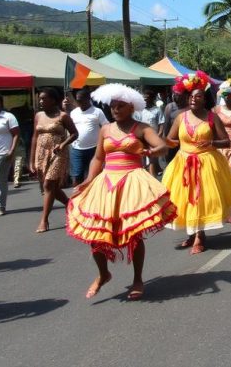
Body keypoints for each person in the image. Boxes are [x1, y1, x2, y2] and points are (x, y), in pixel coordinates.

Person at [66, 84, 177, 300]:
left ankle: (137, 279)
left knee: (132, 233)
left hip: (132, 181)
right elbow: (98, 158)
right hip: (106, 182)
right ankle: (103, 274)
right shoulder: (106, 129)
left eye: (121, 106)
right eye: (113, 106)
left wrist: (153, 150)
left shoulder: (142, 128)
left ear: (131, 106)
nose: (115, 109)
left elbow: (162, 146)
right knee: (96, 232)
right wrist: (89, 180)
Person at [162, 74, 231, 254]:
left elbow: (226, 141)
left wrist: (211, 143)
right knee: (185, 200)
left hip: (206, 163)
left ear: (204, 98)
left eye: (198, 96)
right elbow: (170, 138)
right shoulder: (181, 118)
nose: (193, 99)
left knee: (201, 200)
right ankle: (191, 235)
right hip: (183, 163)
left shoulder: (212, 117)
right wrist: (170, 143)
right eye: (191, 96)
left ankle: (200, 236)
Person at [32, 87, 79, 233]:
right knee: (52, 188)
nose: (41, 101)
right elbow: (34, 138)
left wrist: (63, 144)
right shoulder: (38, 115)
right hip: (41, 153)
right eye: (40, 98)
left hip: (58, 153)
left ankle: (44, 220)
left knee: (48, 185)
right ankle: (70, 204)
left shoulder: (63, 116)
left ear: (52, 100)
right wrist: (31, 160)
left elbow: (74, 134)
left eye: (44, 98)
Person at [69, 89, 109, 188]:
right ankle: (77, 199)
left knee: (94, 175)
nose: (79, 102)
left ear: (88, 99)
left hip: (94, 149)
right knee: (77, 176)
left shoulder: (97, 112)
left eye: (82, 100)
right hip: (77, 149)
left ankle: (93, 197)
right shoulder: (73, 113)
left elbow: (106, 127)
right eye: (78, 100)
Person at [134, 88, 164, 176]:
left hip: (153, 137)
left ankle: (152, 177)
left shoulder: (157, 110)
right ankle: (144, 174)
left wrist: (159, 135)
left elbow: (161, 123)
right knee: (142, 157)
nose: (145, 101)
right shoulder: (139, 111)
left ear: (151, 99)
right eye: (143, 100)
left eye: (147, 99)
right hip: (142, 138)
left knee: (152, 159)